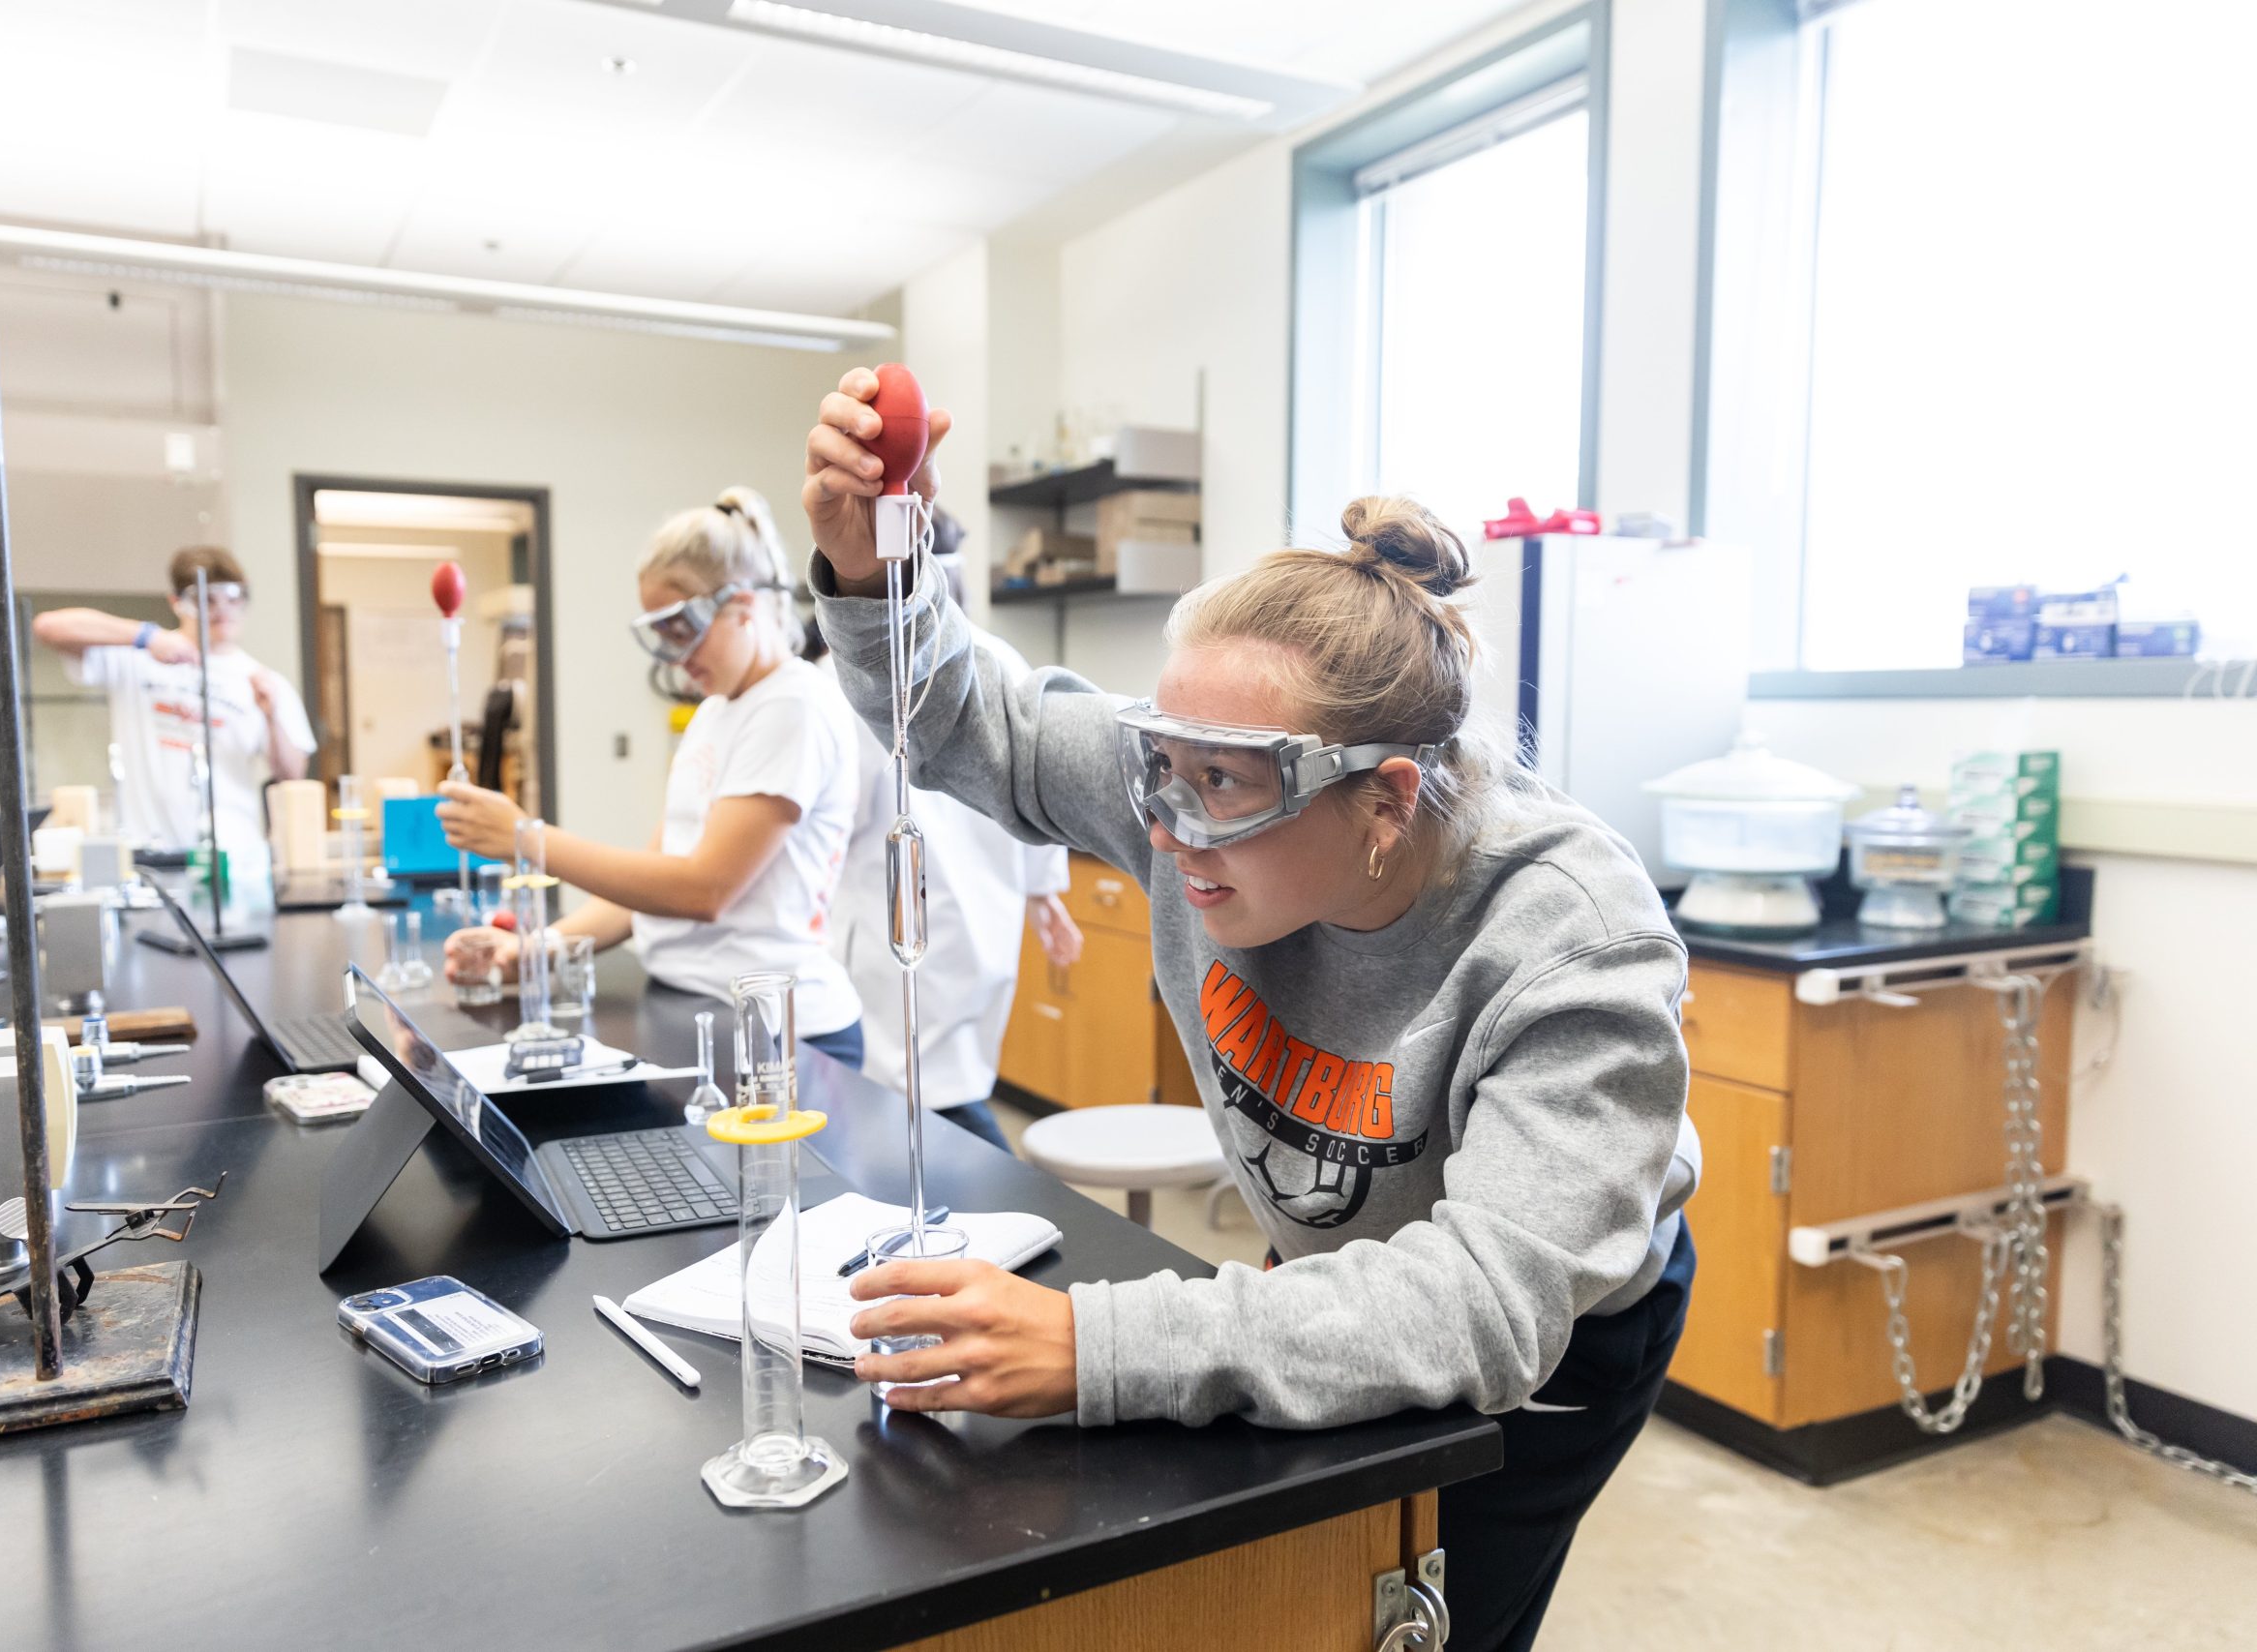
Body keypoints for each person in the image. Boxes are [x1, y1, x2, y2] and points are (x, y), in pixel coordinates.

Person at [803, 371, 1700, 1652]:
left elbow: (1482, 1304)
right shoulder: (1195, 782)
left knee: (1425, 1614)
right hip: (1345, 1255)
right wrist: (871, 553)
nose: (1167, 826)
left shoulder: (1570, 939)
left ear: (1386, 800)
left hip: (1555, 1335)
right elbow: (966, 719)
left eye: (1216, 786)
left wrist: (1093, 1343)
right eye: (1160, 767)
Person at [436, 488, 865, 1065]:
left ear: (743, 604)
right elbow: (651, 886)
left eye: (684, 628)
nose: (674, 656)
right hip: (697, 1006)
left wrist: (527, 839)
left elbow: (703, 889)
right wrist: (533, 949)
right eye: (662, 636)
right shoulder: (716, 712)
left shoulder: (794, 705)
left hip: (781, 1031)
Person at [827, 519, 1084, 1151]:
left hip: (903, 924)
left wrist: (1043, 893)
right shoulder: (998, 656)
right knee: (933, 1089)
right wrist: (1044, 892)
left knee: (921, 1094)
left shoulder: (853, 674)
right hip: (963, 918)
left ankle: (995, 1212)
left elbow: (1035, 779)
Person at [32, 546, 314, 867]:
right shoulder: (140, 658)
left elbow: (291, 776)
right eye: (208, 600)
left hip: (232, 858)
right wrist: (146, 637)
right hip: (150, 856)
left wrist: (271, 715)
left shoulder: (266, 682)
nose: (223, 610)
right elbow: (48, 626)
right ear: (178, 603)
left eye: (234, 598)